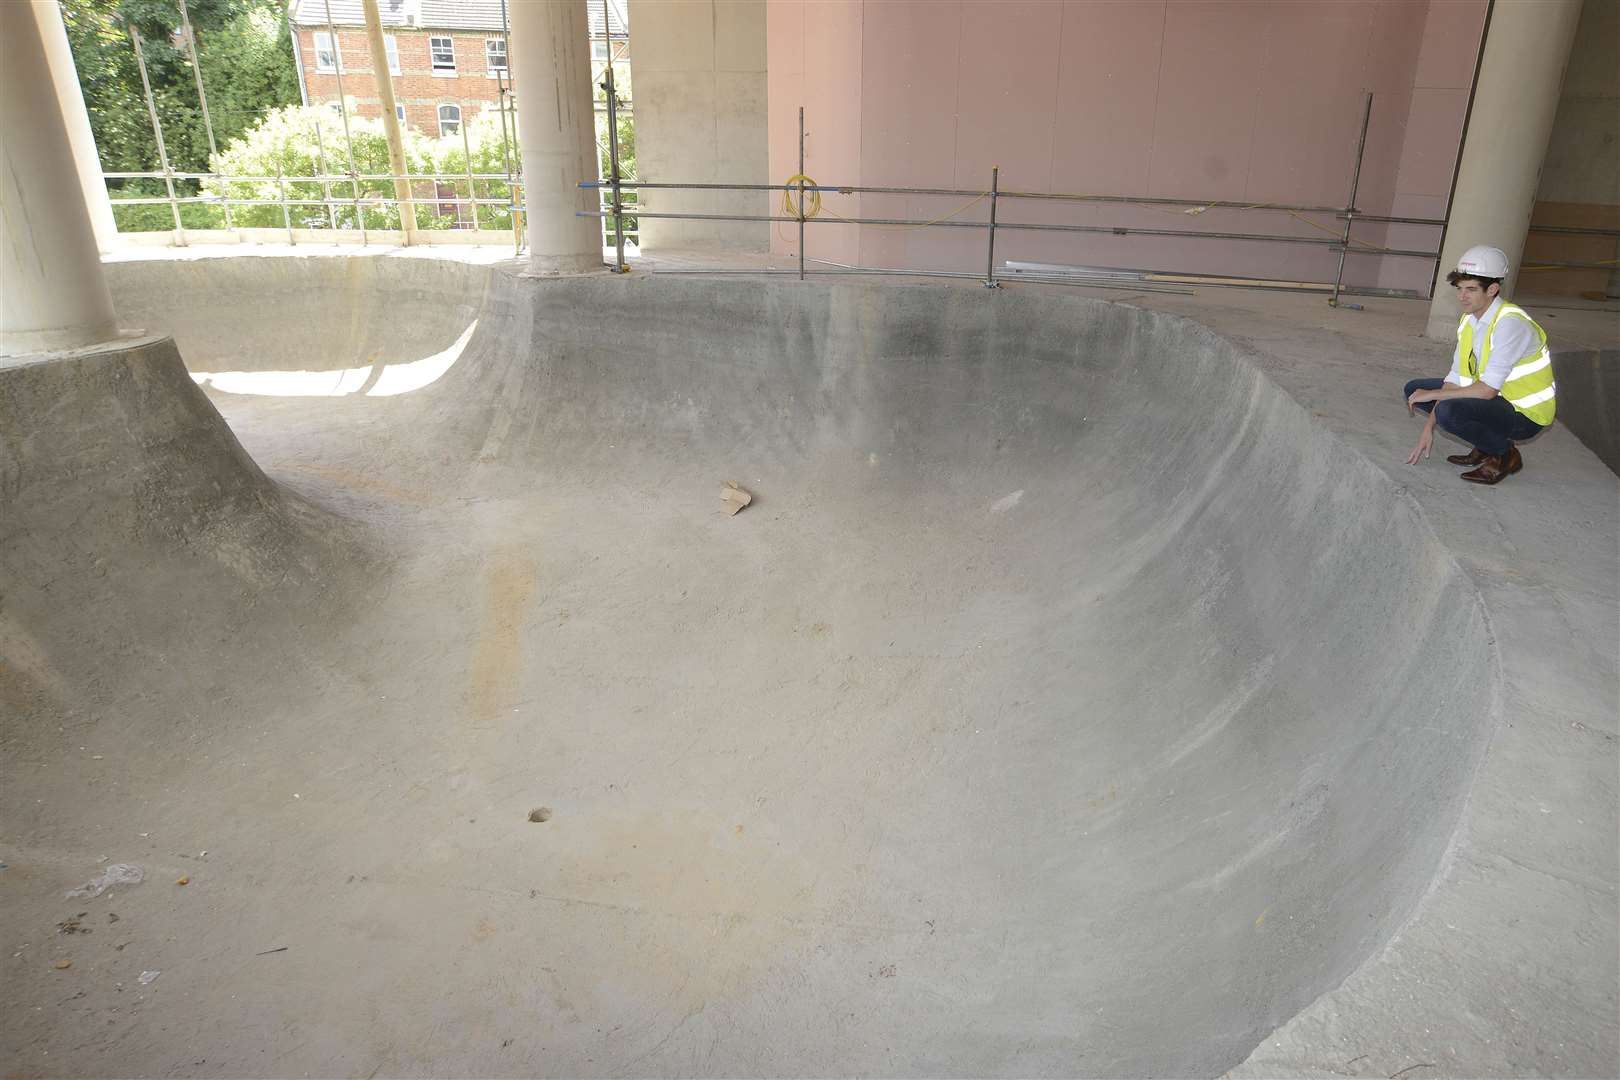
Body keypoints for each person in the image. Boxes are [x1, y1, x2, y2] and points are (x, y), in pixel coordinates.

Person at [1403, 245, 1556, 485]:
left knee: (1448, 410)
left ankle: (1504, 454)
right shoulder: (1469, 320)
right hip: (1496, 399)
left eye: (1471, 289)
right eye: (1460, 289)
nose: (1462, 296)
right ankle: (1486, 444)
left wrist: (1434, 396)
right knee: (1414, 389)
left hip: (1525, 414)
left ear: (1492, 289)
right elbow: (1455, 379)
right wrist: (1427, 429)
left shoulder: (1510, 324)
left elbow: (1487, 391)